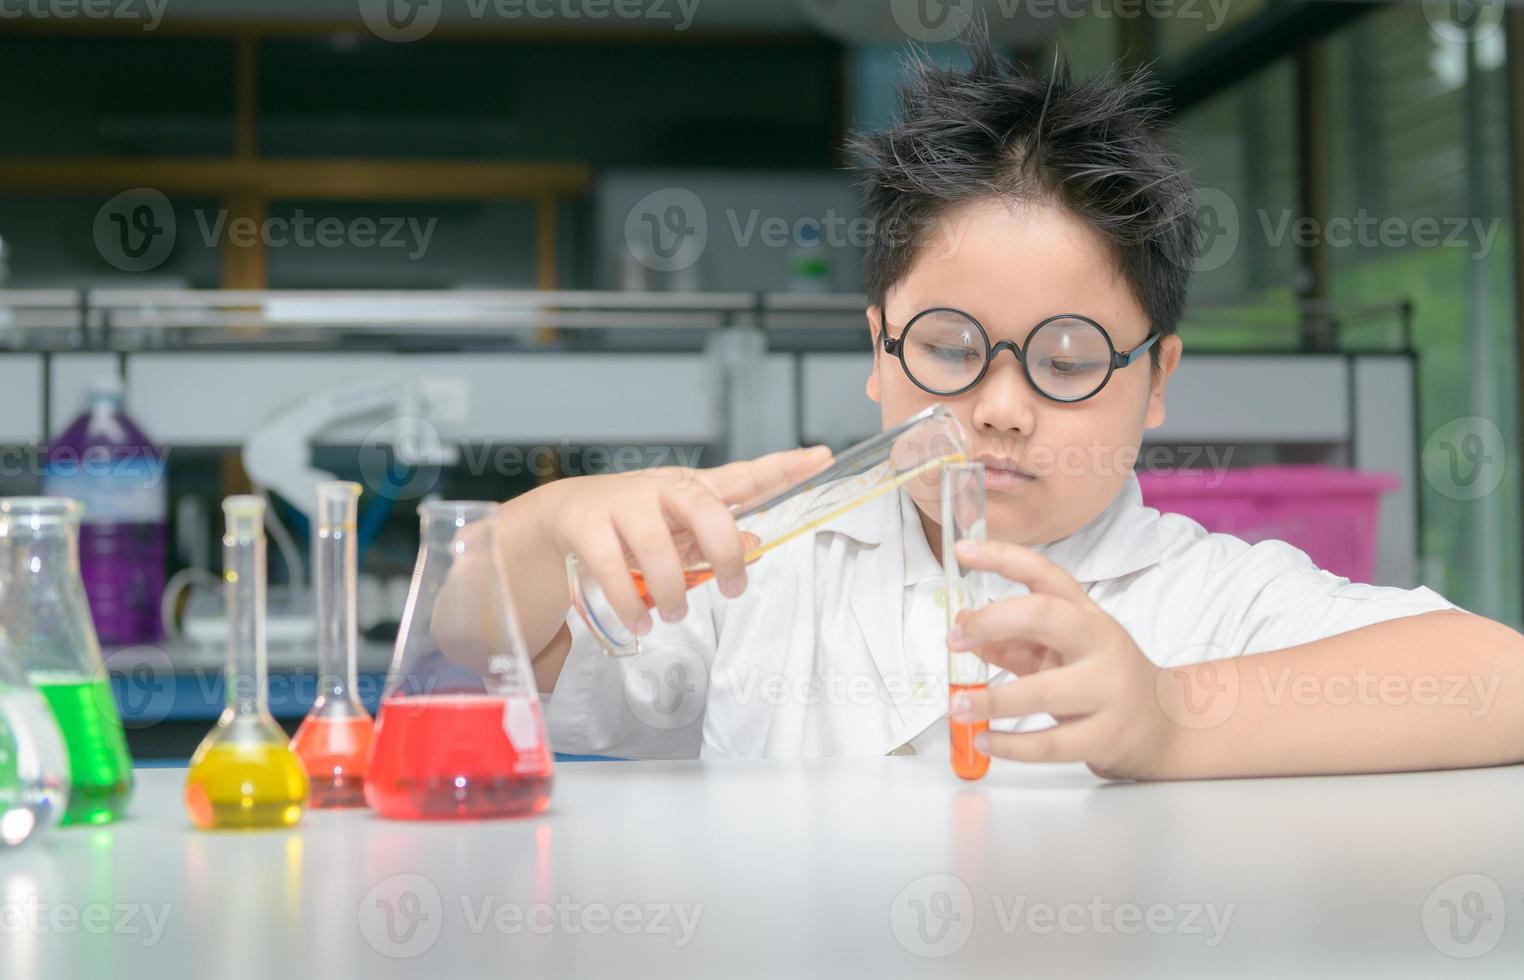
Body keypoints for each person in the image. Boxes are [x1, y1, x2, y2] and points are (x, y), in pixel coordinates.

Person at [481, 35, 1524, 779]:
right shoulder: (769, 570)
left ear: (1157, 378)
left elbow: (1500, 678)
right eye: (948, 349)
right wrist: (540, 532)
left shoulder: (1209, 596)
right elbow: (474, 654)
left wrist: (1170, 715)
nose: (1002, 406)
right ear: (877, 353)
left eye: (1069, 358)